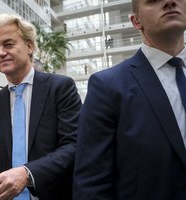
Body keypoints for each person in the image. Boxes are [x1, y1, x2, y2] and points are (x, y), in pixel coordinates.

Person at [73, 0, 186, 199]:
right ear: (136, 21)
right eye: (153, 0)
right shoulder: (107, 86)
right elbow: (91, 183)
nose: (169, 2)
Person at [0, 13, 82, 200]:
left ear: (29, 46)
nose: (1, 52)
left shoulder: (60, 88)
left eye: (8, 44)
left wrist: (27, 174)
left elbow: (74, 145)